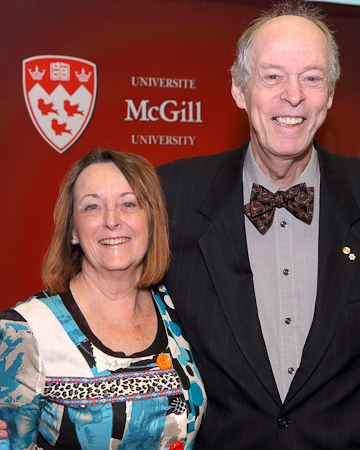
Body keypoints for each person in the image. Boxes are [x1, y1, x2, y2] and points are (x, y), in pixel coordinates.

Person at [156, 2, 360, 449]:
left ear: (329, 94)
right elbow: (100, 304)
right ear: (239, 90)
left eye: (312, 77)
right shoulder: (171, 194)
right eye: (272, 76)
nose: (293, 96)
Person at [0, 150, 206, 450]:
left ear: (152, 221)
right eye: (92, 207)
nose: (112, 220)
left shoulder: (176, 309)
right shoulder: (24, 331)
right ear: (72, 229)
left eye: (128, 204)